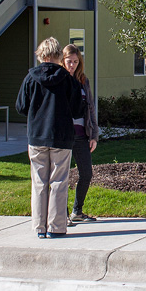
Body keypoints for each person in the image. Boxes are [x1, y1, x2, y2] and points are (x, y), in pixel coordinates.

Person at [15, 37, 85, 238]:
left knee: (39, 183)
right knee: (59, 182)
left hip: (37, 136)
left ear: (41, 55)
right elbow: (78, 109)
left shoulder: (30, 78)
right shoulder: (68, 80)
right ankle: (56, 227)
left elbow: (21, 106)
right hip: (61, 137)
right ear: (57, 56)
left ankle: (39, 227)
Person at [60, 44, 99, 224]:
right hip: (64, 135)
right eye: (69, 61)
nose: (72, 65)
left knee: (86, 173)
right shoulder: (59, 80)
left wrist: (94, 135)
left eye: (76, 62)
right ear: (63, 61)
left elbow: (90, 108)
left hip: (82, 134)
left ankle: (77, 210)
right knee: (62, 176)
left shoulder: (83, 81)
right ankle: (62, 214)